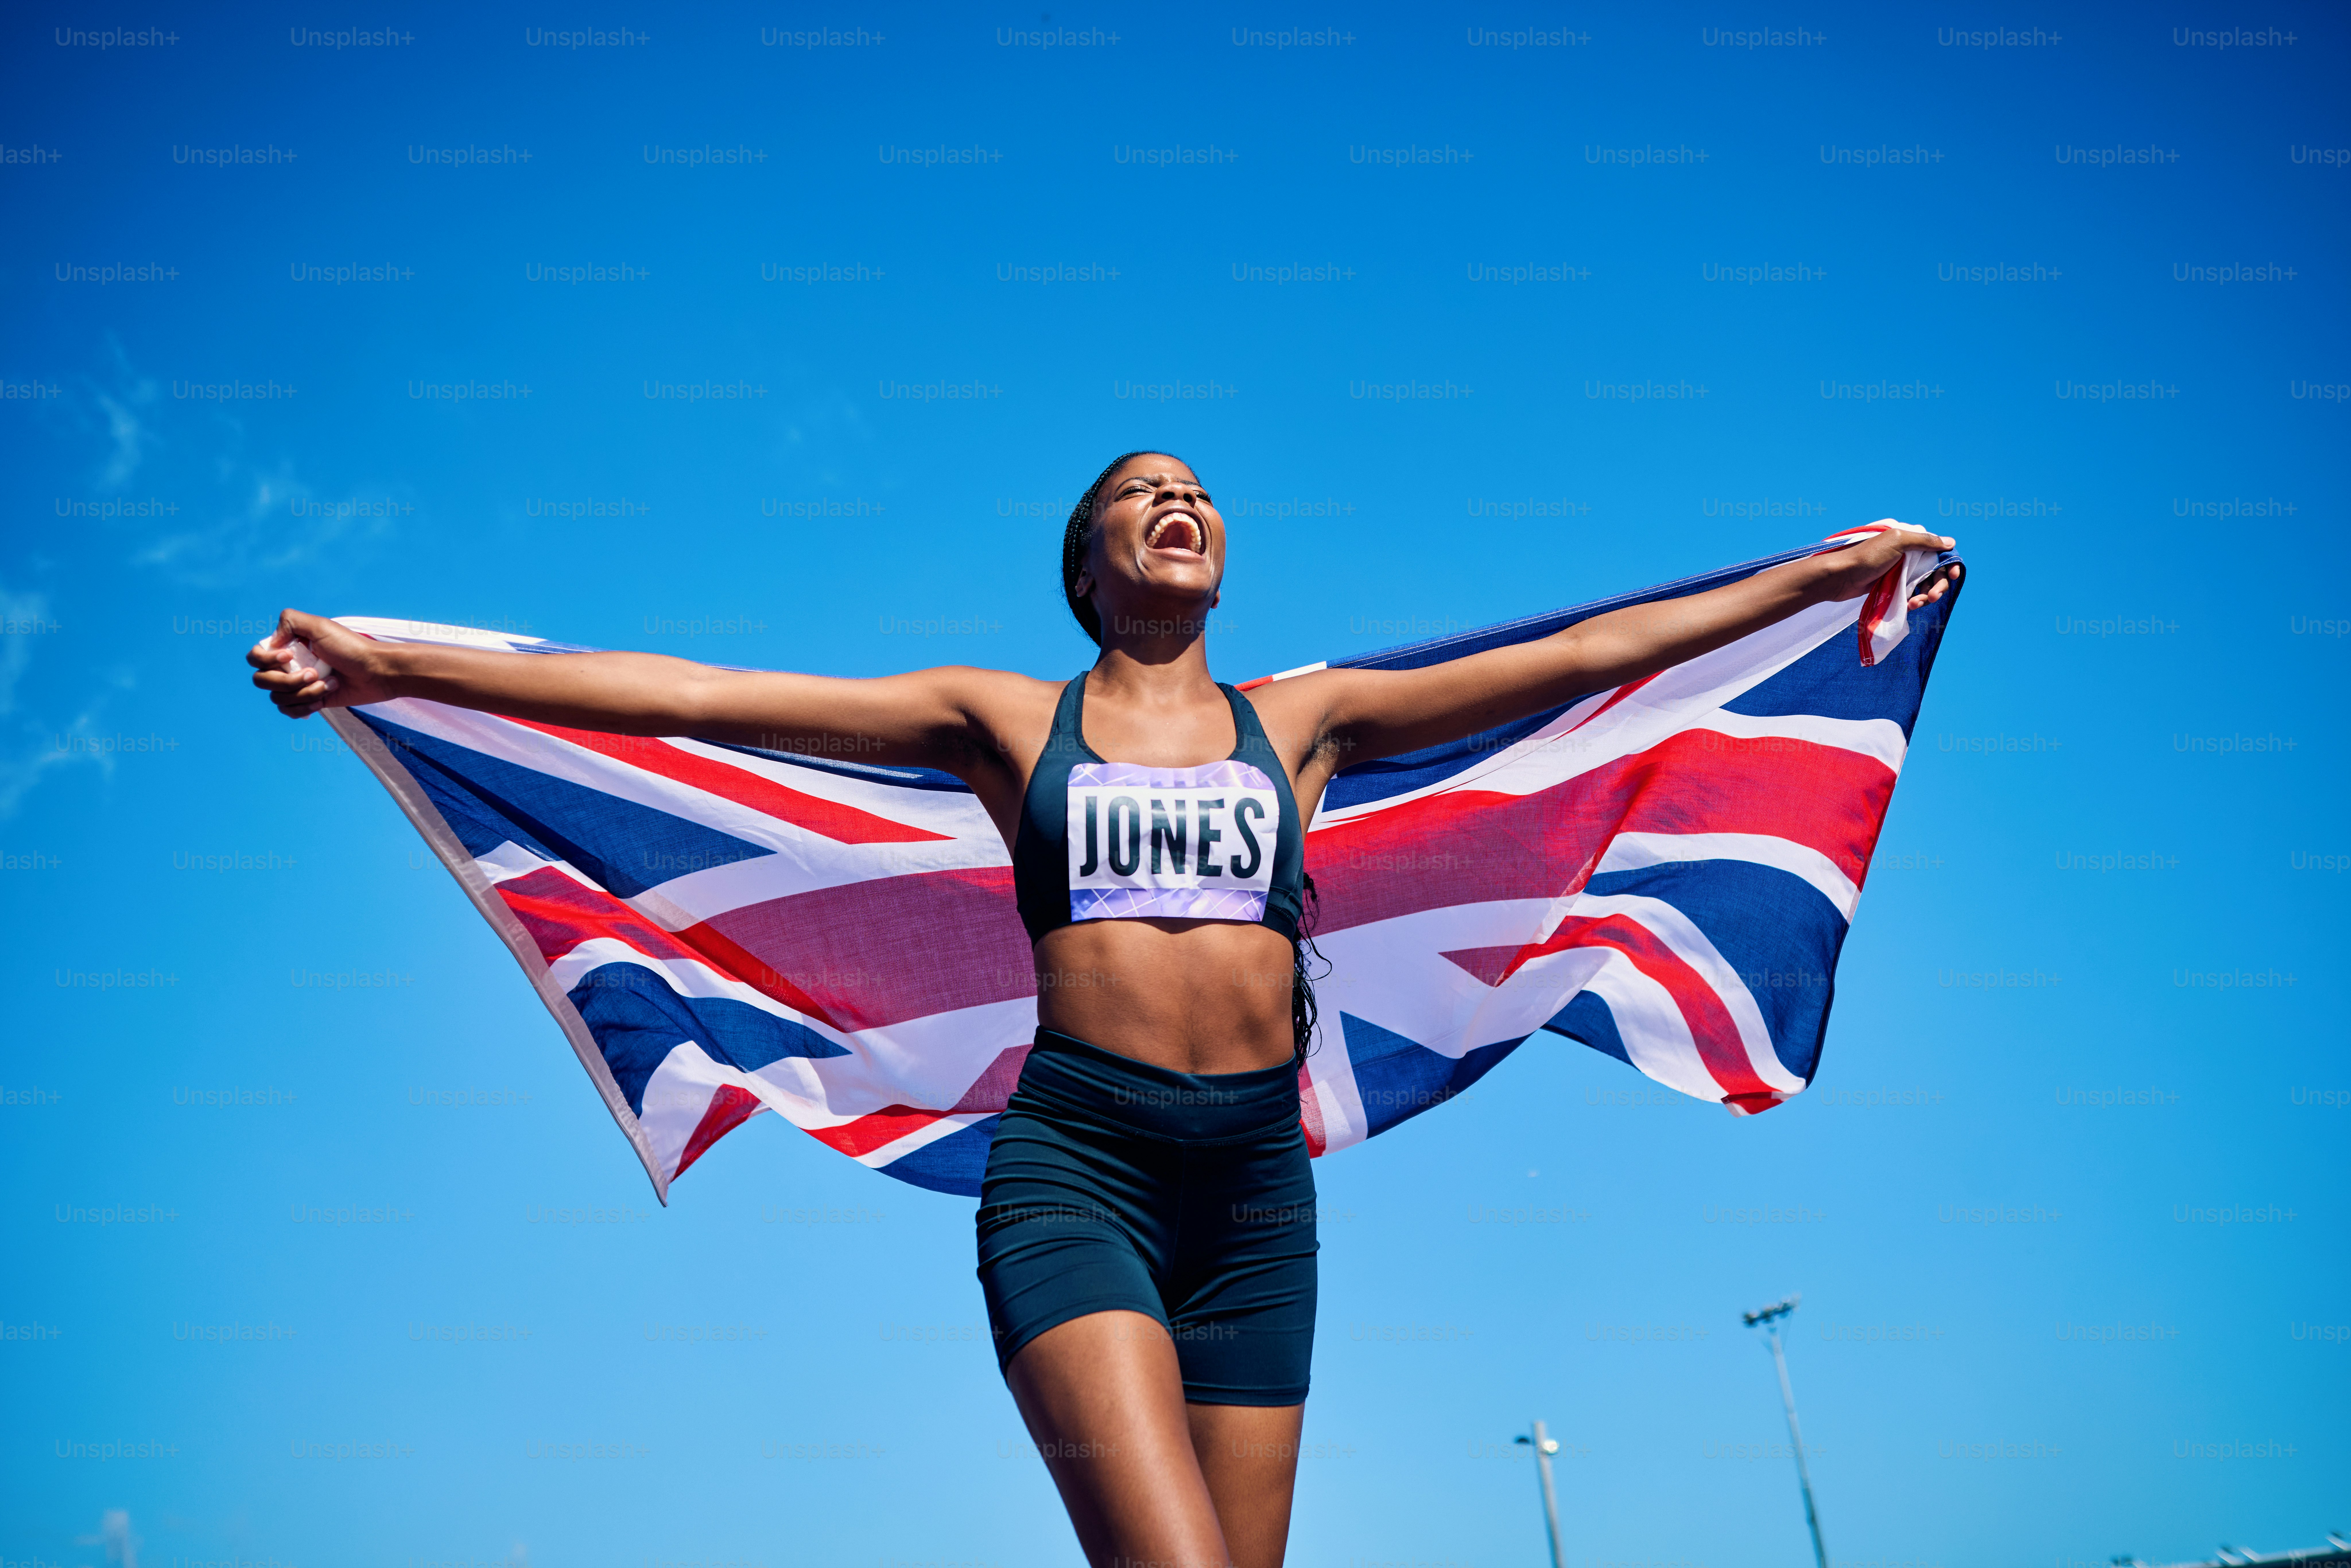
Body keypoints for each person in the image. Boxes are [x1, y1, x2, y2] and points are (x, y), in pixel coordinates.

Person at [250, 452, 1958, 1568]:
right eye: (1141, 494)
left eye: (1200, 491)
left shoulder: (1310, 720)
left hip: (1258, 1196)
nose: (1180, 502)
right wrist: (407, 668)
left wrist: (1805, 586)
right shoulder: (1001, 718)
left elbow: (1579, 664)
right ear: (1091, 567)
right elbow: (697, 697)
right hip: (1082, 1171)